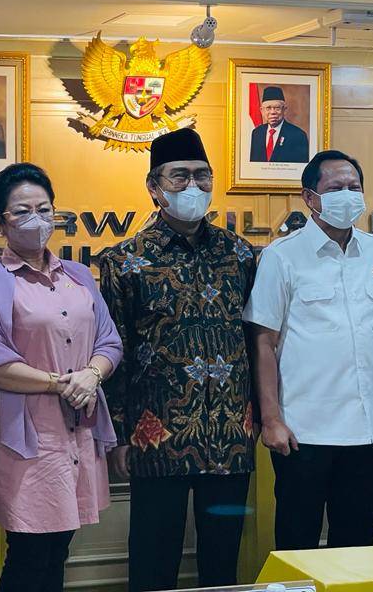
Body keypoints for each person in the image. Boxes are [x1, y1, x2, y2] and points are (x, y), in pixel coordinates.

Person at [100, 128, 257, 592]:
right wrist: (118, 434)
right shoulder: (124, 261)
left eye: (202, 175)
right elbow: (114, 351)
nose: (193, 185)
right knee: (154, 562)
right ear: (154, 187)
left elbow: (258, 341)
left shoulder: (239, 254)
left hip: (230, 435)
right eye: (180, 176)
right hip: (155, 437)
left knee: (223, 564)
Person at [0, 163, 123, 592]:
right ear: (1, 223)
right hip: (26, 437)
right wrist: (61, 382)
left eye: (44, 209)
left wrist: (91, 374)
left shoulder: (79, 275)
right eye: (22, 211)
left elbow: (109, 341)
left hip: (77, 432)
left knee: (58, 549)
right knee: (29, 552)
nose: (36, 219)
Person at [246, 150, 373, 550]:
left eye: (354, 187)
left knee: (357, 547)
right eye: (335, 188)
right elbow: (264, 341)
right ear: (310, 197)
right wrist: (271, 419)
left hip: (369, 433)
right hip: (304, 433)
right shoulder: (282, 256)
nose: (347, 196)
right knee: (297, 546)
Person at [249, 86, 309, 164]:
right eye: (268, 108)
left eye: (277, 108)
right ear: (262, 110)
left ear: (284, 110)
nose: (272, 112)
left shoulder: (298, 135)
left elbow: (301, 167)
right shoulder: (256, 133)